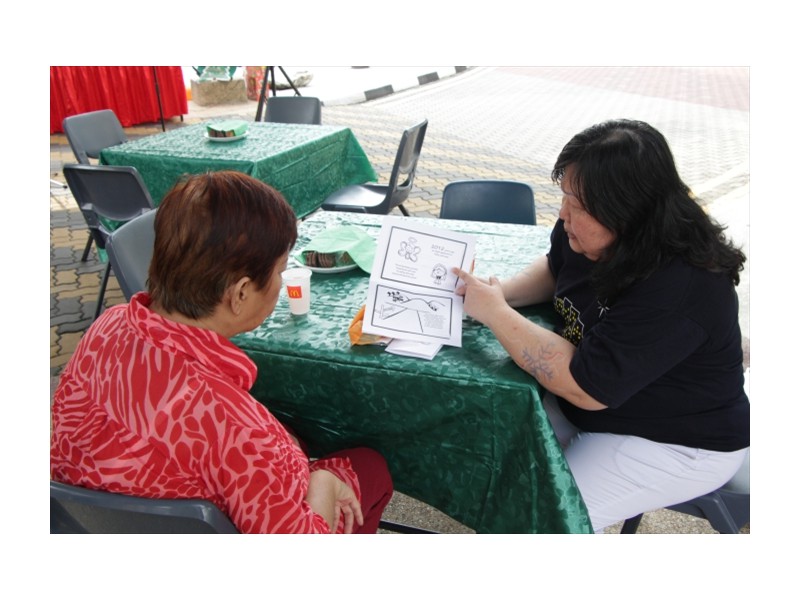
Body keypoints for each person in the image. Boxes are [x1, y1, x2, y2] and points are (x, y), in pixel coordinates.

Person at [51, 171, 393, 533]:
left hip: (88, 522)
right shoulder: (236, 428)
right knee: (370, 466)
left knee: (292, 433)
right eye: (280, 271)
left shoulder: (108, 325)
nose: (281, 282)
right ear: (240, 293)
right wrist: (323, 480)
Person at [453, 119, 749, 533]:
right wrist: (501, 295)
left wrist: (496, 313)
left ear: (625, 210)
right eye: (564, 196)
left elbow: (585, 385)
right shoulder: (589, 231)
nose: (563, 214)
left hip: (675, 440)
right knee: (487, 435)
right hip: (603, 406)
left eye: (576, 204)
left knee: (537, 520)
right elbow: (557, 267)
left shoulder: (681, 285)